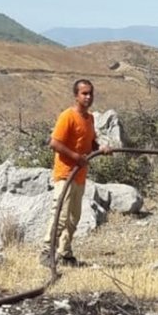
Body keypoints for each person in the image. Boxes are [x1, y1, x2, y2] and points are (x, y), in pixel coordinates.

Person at [40, 79, 111, 266]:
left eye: (90, 93)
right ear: (76, 95)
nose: (88, 97)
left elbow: (90, 143)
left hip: (80, 175)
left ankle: (65, 252)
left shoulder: (90, 119)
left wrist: (101, 148)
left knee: (74, 217)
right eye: (84, 93)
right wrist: (75, 157)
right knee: (60, 214)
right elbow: (54, 143)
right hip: (65, 174)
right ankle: (47, 252)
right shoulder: (68, 116)